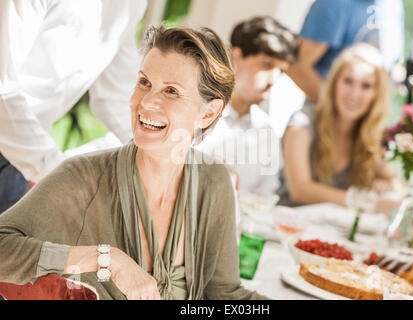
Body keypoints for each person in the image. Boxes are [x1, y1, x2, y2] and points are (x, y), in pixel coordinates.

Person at [0, 25, 267, 300]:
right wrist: (107, 259)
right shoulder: (83, 178)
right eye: (144, 83)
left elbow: (225, 294)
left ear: (208, 113)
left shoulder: (213, 180)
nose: (147, 102)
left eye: (171, 91)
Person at [0, 0, 147, 213]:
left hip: (21, 157)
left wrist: (154, 153)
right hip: (28, 153)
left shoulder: (131, 4)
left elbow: (115, 96)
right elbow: (3, 88)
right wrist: (53, 172)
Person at [278, 43, 397, 214]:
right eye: (348, 81)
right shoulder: (302, 123)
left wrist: (383, 181)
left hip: (333, 235)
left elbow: (390, 181)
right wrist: (362, 201)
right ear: (334, 83)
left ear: (376, 95)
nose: (354, 94)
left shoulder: (371, 137)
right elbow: (300, 190)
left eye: (366, 86)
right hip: (284, 228)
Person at [196, 16, 299, 197]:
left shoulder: (267, 131)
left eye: (281, 71)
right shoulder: (196, 113)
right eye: (267, 65)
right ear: (236, 58)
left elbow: (266, 196)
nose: (274, 80)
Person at [286, 0, 404, 103]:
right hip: (329, 121)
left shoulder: (393, 4)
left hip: (373, 121)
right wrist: (339, 110)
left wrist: (407, 79)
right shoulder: (334, 4)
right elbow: (297, 66)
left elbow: (388, 66)